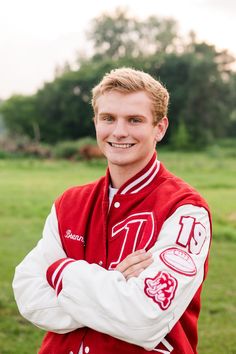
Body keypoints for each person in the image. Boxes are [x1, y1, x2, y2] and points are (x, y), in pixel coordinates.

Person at [13, 67, 212, 354]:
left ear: (160, 127)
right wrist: (116, 283)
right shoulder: (68, 203)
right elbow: (28, 295)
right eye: (108, 118)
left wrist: (63, 271)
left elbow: (144, 317)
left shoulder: (186, 210)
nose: (119, 132)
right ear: (95, 122)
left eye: (134, 120)